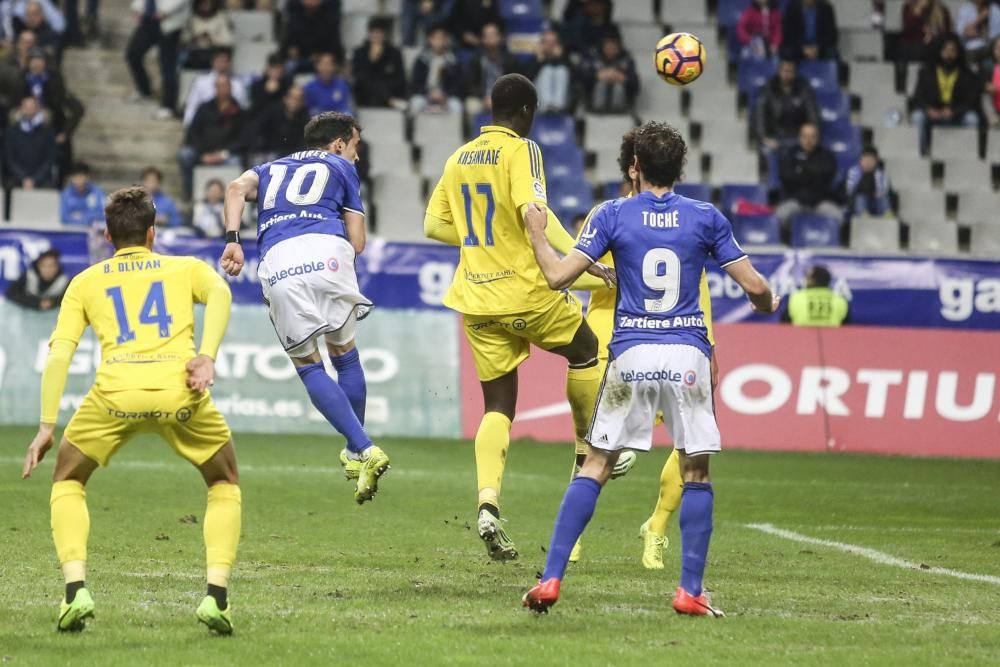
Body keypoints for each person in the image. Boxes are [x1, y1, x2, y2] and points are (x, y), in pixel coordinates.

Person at [520, 120, 779, 616]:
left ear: (634, 166)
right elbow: (755, 288)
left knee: (594, 464)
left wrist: (536, 232)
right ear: (680, 167)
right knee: (696, 471)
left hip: (630, 356)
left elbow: (556, 277)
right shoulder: (705, 217)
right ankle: (689, 591)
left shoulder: (612, 213)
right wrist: (769, 301)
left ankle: (550, 579)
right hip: (686, 356)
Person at [21, 186, 241, 635]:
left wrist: (47, 425)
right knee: (223, 481)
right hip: (179, 391)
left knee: (67, 479)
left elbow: (60, 353)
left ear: (107, 235)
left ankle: (74, 592)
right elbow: (220, 293)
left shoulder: (85, 282)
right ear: (152, 234)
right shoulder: (185, 268)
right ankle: (216, 597)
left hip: (115, 395)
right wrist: (207, 355)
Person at [422, 74, 615, 560]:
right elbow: (532, 211)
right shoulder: (522, 150)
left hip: (476, 300)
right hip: (526, 292)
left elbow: (433, 225)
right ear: (527, 110)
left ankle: (488, 503)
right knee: (587, 349)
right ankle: (588, 448)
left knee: (498, 408)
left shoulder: (457, 157)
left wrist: (480, 240)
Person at [566, 127, 720, 568]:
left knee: (689, 443)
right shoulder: (610, 217)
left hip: (675, 344)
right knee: (592, 446)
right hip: (613, 349)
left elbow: (698, 285)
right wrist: (603, 272)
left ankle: (656, 527)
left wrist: (708, 342)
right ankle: (573, 534)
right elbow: (570, 271)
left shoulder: (684, 222)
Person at [219, 112, 391, 505]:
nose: (356, 156)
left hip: (281, 260)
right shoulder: (341, 168)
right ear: (337, 145)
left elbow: (233, 189)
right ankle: (354, 450)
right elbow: (358, 242)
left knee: (309, 366)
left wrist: (233, 239)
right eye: (355, 146)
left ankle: (362, 448)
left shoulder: (269, 168)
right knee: (345, 357)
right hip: (330, 253)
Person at [910, 33, 983, 156]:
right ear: (939, 50)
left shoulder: (967, 74)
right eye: (946, 50)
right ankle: (922, 155)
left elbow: (971, 101)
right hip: (933, 114)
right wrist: (929, 110)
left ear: (958, 52)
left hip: (956, 114)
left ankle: (968, 154)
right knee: (917, 117)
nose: (949, 54)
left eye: (952, 50)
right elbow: (917, 97)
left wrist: (954, 111)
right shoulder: (926, 72)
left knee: (972, 119)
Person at [177, 74, 247, 198]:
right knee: (185, 154)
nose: (222, 89)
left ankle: (233, 198)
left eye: (225, 86)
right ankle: (190, 193)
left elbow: (242, 140)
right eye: (219, 86)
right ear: (215, 88)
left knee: (235, 161)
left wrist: (223, 154)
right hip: (203, 153)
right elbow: (192, 134)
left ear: (230, 87)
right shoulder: (204, 108)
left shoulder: (239, 112)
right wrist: (202, 154)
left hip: (226, 155)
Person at [125, 0, 188, 120]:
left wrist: (166, 11)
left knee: (167, 65)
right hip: (149, 19)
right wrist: (137, 8)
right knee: (133, 54)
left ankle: (168, 106)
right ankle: (144, 90)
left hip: (170, 22)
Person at [776, 122, 842, 229]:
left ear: (817, 138)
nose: (808, 140)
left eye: (812, 136)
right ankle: (789, 240)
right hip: (796, 200)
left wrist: (801, 170)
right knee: (780, 216)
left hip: (820, 202)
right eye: (805, 136)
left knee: (838, 217)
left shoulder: (826, 155)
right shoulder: (790, 154)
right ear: (799, 137)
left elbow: (827, 174)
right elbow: (786, 177)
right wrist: (814, 172)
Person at [754, 59, 820, 154]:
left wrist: (812, 136)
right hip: (774, 132)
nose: (786, 74)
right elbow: (760, 112)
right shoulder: (769, 86)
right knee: (768, 150)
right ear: (779, 71)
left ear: (795, 73)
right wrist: (762, 137)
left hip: (797, 134)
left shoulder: (803, 87)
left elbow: (813, 112)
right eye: (784, 70)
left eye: (790, 71)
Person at [351, 16, 407, 110]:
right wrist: (372, 60)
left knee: (380, 85)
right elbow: (358, 76)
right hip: (365, 95)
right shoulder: (360, 52)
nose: (376, 36)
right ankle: (389, 100)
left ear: (385, 34)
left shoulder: (394, 53)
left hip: (388, 90)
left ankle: (387, 98)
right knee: (366, 82)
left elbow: (400, 79)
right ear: (369, 34)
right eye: (374, 32)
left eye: (379, 32)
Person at [182, 48, 249, 127]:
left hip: (229, 125)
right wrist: (188, 123)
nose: (222, 64)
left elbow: (243, 106)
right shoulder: (201, 82)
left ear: (229, 63)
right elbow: (192, 105)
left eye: (225, 61)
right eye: (219, 61)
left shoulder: (238, 84)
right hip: (205, 124)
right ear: (213, 62)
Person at [408, 24, 464, 114]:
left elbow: (458, 84)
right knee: (415, 103)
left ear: (446, 40)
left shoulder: (453, 61)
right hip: (425, 96)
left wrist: (445, 94)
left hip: (446, 97)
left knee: (456, 106)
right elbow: (415, 83)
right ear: (430, 40)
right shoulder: (422, 60)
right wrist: (429, 94)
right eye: (436, 38)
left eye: (442, 38)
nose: (439, 41)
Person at [582, 27, 639, 114]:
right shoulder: (594, 57)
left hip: (621, 106)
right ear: (603, 46)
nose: (610, 49)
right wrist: (596, 75)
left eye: (613, 46)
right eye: (607, 46)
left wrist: (623, 78)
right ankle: (599, 108)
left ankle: (617, 109)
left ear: (619, 47)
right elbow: (582, 80)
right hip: (595, 104)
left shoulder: (626, 59)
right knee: (601, 84)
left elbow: (636, 85)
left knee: (618, 86)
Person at [5, 95, 56, 189]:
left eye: (32, 107)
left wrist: (35, 179)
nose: (29, 110)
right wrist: (23, 177)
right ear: (21, 109)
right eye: (26, 107)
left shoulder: (48, 131)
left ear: (37, 109)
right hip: (16, 177)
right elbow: (9, 158)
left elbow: (50, 158)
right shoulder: (12, 131)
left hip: (42, 178)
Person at [465, 22, 517, 114]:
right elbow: (471, 84)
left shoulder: (509, 60)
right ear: (483, 39)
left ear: (500, 37)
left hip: (503, 97)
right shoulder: (476, 59)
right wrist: (484, 97)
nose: (491, 38)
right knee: (471, 106)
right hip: (481, 98)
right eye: (488, 35)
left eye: (493, 35)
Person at [252, 85, 309, 163]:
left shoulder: (306, 119)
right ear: (285, 99)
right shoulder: (272, 114)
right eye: (293, 98)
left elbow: (304, 144)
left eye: (299, 99)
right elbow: (258, 132)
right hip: (270, 154)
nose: (295, 102)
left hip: (294, 157)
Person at [282, 0, 342, 74]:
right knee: (289, 65)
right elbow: (290, 36)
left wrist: (323, 55)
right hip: (302, 56)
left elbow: (334, 37)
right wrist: (292, 49)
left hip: (323, 54)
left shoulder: (331, 10)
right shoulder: (294, 8)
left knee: (330, 65)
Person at [781, 264, 849, 326]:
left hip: (800, 338)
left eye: (807, 277)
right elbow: (847, 329)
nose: (805, 279)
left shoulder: (796, 298)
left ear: (813, 280)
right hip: (832, 338)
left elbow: (785, 326)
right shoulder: (840, 300)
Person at [530, 28, 575, 114]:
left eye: (553, 43)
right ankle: (548, 106)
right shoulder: (536, 59)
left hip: (562, 103)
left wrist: (561, 58)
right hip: (539, 103)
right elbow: (526, 79)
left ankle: (557, 107)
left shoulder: (564, 60)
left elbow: (575, 79)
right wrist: (539, 61)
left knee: (562, 70)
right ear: (541, 44)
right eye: (547, 42)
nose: (550, 45)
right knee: (547, 70)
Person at [181, 0, 234, 70]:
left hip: (214, 52)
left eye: (208, 3)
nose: (205, 6)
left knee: (223, 54)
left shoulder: (221, 18)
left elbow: (228, 40)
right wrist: (194, 38)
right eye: (202, 3)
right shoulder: (191, 19)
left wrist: (212, 39)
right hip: (194, 53)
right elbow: (183, 38)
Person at [900, 0, 953, 66]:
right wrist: (919, 8)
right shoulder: (909, 7)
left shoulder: (943, 10)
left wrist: (933, 35)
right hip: (915, 48)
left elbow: (948, 34)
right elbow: (907, 30)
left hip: (935, 48)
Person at [845, 146, 892, 217]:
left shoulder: (880, 174)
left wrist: (878, 194)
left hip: (875, 201)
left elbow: (883, 190)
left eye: (871, 160)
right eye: (865, 159)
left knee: (883, 197)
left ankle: (886, 213)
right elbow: (850, 191)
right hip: (857, 202)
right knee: (860, 197)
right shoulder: (854, 172)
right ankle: (863, 214)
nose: (868, 162)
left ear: (876, 161)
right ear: (860, 161)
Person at [303, 51, 352, 116]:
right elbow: (308, 110)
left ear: (334, 67)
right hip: (317, 122)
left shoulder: (342, 85)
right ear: (317, 66)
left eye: (329, 64)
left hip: (338, 122)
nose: (326, 68)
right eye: (323, 64)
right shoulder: (310, 87)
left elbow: (347, 108)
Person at [981, 36, 1000, 123]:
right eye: (998, 48)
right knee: (984, 96)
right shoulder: (988, 68)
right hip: (993, 110)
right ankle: (995, 121)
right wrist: (986, 86)